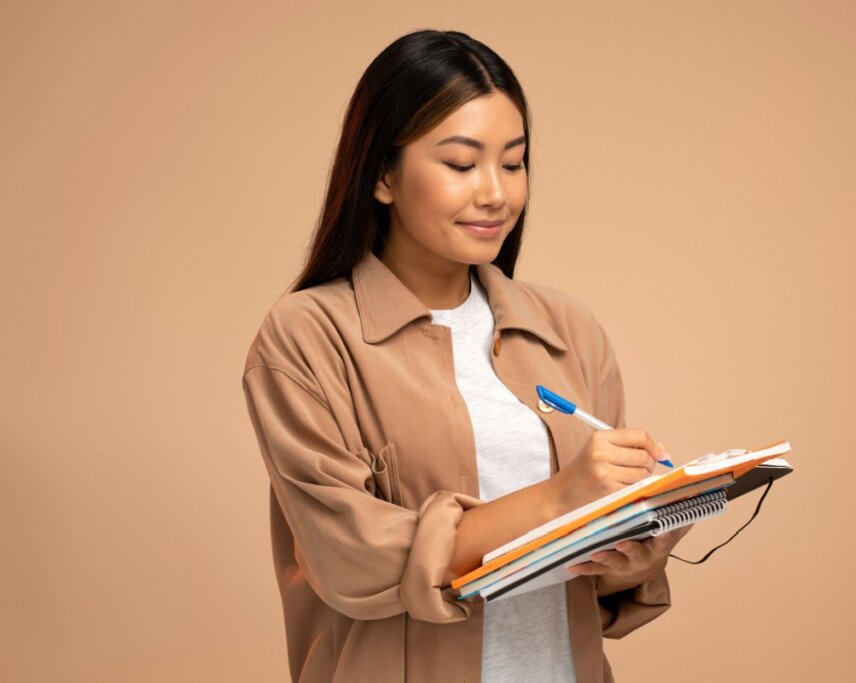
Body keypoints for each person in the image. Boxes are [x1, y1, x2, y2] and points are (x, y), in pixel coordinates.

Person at [241, 29, 691, 683]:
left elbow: (593, 582)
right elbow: (352, 557)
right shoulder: (308, 335)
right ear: (382, 174)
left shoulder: (569, 330)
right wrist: (561, 496)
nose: (496, 193)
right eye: (461, 164)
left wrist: (638, 536)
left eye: (513, 163)